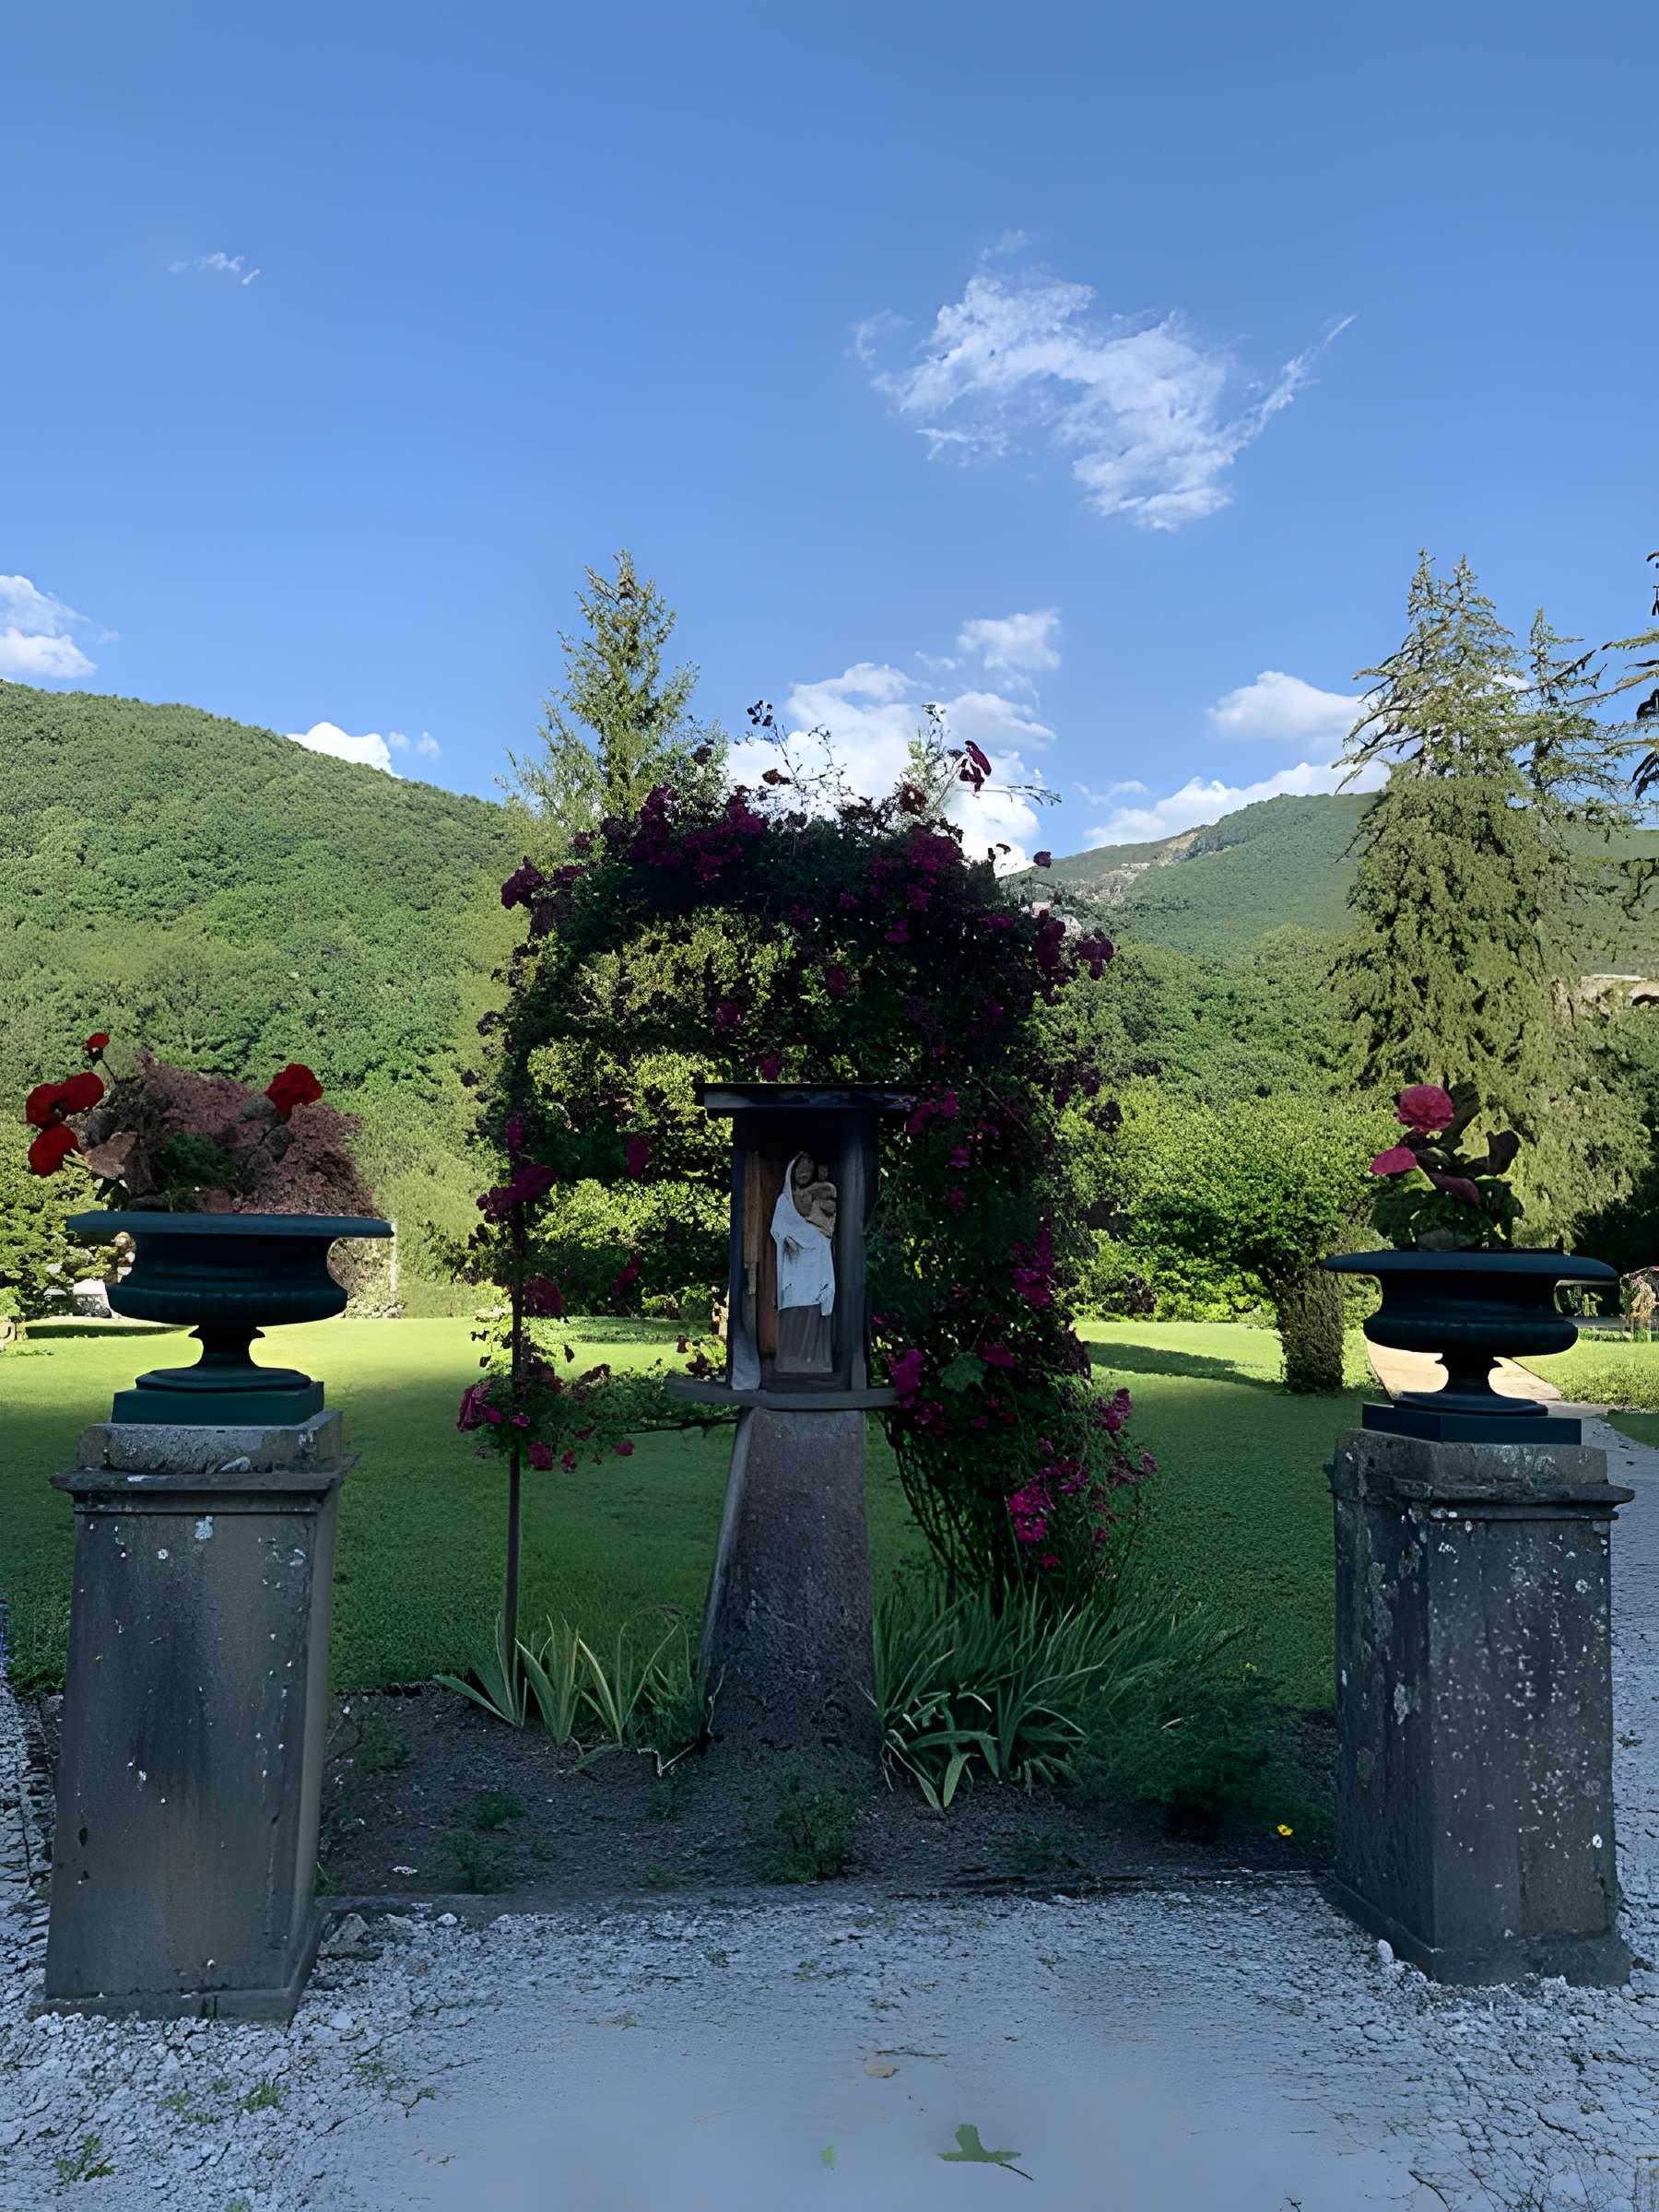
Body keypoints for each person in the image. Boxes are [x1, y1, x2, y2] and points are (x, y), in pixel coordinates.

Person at [771, 1151, 835, 1373]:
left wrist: (819, 1239)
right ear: (792, 1171)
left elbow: (826, 1224)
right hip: (794, 1265)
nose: (804, 1173)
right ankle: (790, 1360)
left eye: (808, 1169)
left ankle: (814, 1361)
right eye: (800, 1169)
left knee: (817, 1305)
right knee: (793, 1308)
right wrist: (789, 1238)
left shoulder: (819, 1198)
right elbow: (778, 1227)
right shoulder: (784, 1201)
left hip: (816, 1261)